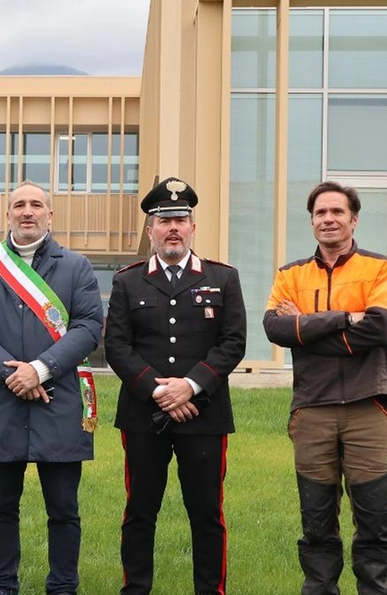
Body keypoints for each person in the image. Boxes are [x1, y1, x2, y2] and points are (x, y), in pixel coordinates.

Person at [0, 181, 104, 595]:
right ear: (8, 215)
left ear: (49, 216)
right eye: (18, 205)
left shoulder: (77, 266)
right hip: (1, 402)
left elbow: (90, 326)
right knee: (1, 506)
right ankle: (2, 585)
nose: (27, 211)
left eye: (35, 205)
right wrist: (12, 375)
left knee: (63, 509)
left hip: (57, 401)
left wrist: (40, 369)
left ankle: (63, 586)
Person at [104, 177, 247, 595]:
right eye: (163, 220)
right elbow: (117, 346)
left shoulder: (223, 278)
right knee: (139, 511)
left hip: (204, 415)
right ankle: (136, 589)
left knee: (206, 513)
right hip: (143, 414)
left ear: (192, 227)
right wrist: (159, 391)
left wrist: (190, 385)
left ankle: (210, 590)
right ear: (150, 230)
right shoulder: (127, 281)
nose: (173, 228)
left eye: (181, 220)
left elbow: (233, 343)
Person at [264, 181, 387, 595]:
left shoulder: (381, 268)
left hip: (369, 406)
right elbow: (275, 328)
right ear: (311, 223)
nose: (328, 219)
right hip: (313, 410)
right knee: (316, 521)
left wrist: (305, 326)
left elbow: (381, 327)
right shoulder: (291, 274)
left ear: (353, 219)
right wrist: (345, 318)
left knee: (374, 519)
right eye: (320, 213)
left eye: (337, 212)